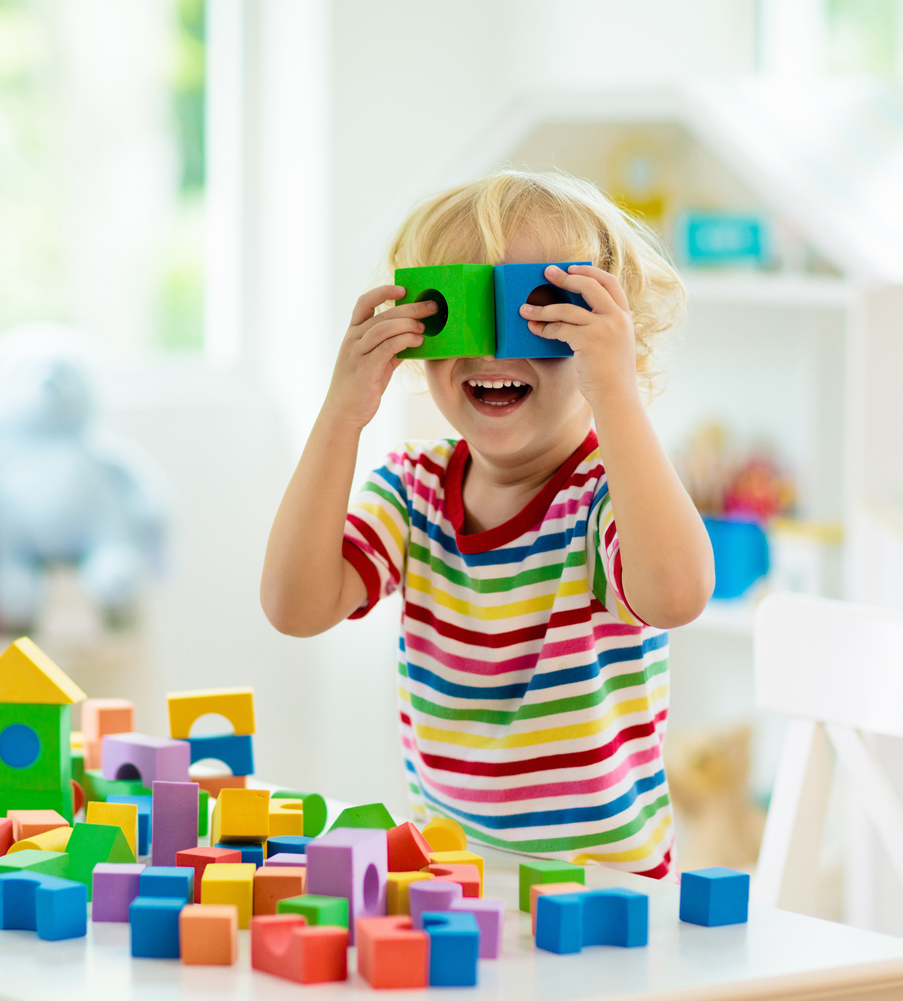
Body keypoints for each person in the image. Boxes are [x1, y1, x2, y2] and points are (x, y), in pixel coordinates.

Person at [260, 169, 713, 874]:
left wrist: (615, 390)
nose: (496, 350)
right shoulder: (413, 493)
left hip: (604, 892)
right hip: (456, 883)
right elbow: (294, 605)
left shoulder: (603, 500)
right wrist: (341, 414)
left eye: (544, 315)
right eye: (460, 312)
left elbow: (676, 594)